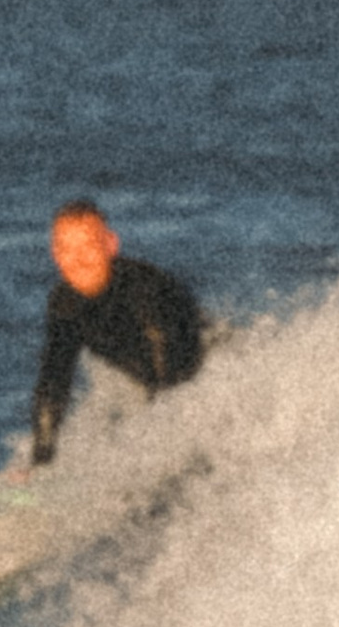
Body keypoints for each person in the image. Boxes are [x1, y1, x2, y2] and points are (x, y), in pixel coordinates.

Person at [27, 199, 207, 467]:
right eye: (66, 249)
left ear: (110, 245)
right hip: (172, 395)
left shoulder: (146, 290)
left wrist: (157, 454)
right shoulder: (65, 304)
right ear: (55, 254)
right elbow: (54, 383)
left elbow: (171, 379)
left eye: (88, 247)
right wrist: (40, 462)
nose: (77, 261)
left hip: (210, 380)